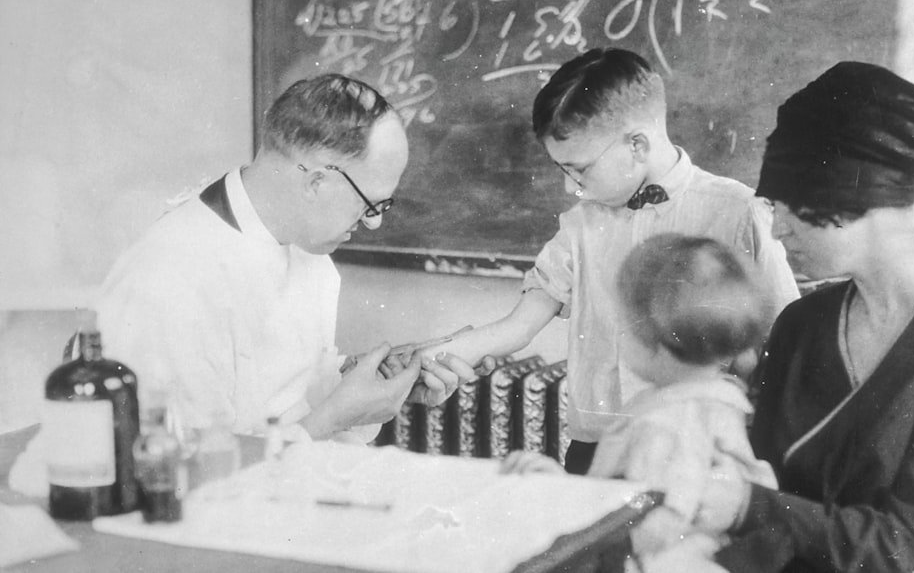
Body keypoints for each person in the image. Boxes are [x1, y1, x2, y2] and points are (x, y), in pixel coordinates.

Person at [405, 47, 799, 473]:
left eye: (580, 170)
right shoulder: (579, 225)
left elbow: (786, 337)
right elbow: (517, 327)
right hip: (596, 447)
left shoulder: (738, 211)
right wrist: (426, 359)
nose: (570, 187)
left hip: (699, 447)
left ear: (638, 145)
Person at [712, 62, 914, 572]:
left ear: (843, 200)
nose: (776, 230)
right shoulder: (801, 324)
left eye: (786, 208)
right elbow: (768, 489)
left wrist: (746, 503)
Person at [96, 74, 473, 443]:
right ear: (316, 183)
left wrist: (369, 383)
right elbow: (185, 468)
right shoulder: (173, 278)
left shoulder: (303, 242)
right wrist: (334, 418)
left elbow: (283, 389)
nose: (374, 224)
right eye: (371, 204)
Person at [502, 233, 778, 572]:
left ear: (653, 341)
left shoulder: (666, 424)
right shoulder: (718, 402)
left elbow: (645, 525)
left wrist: (566, 512)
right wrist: (568, 489)